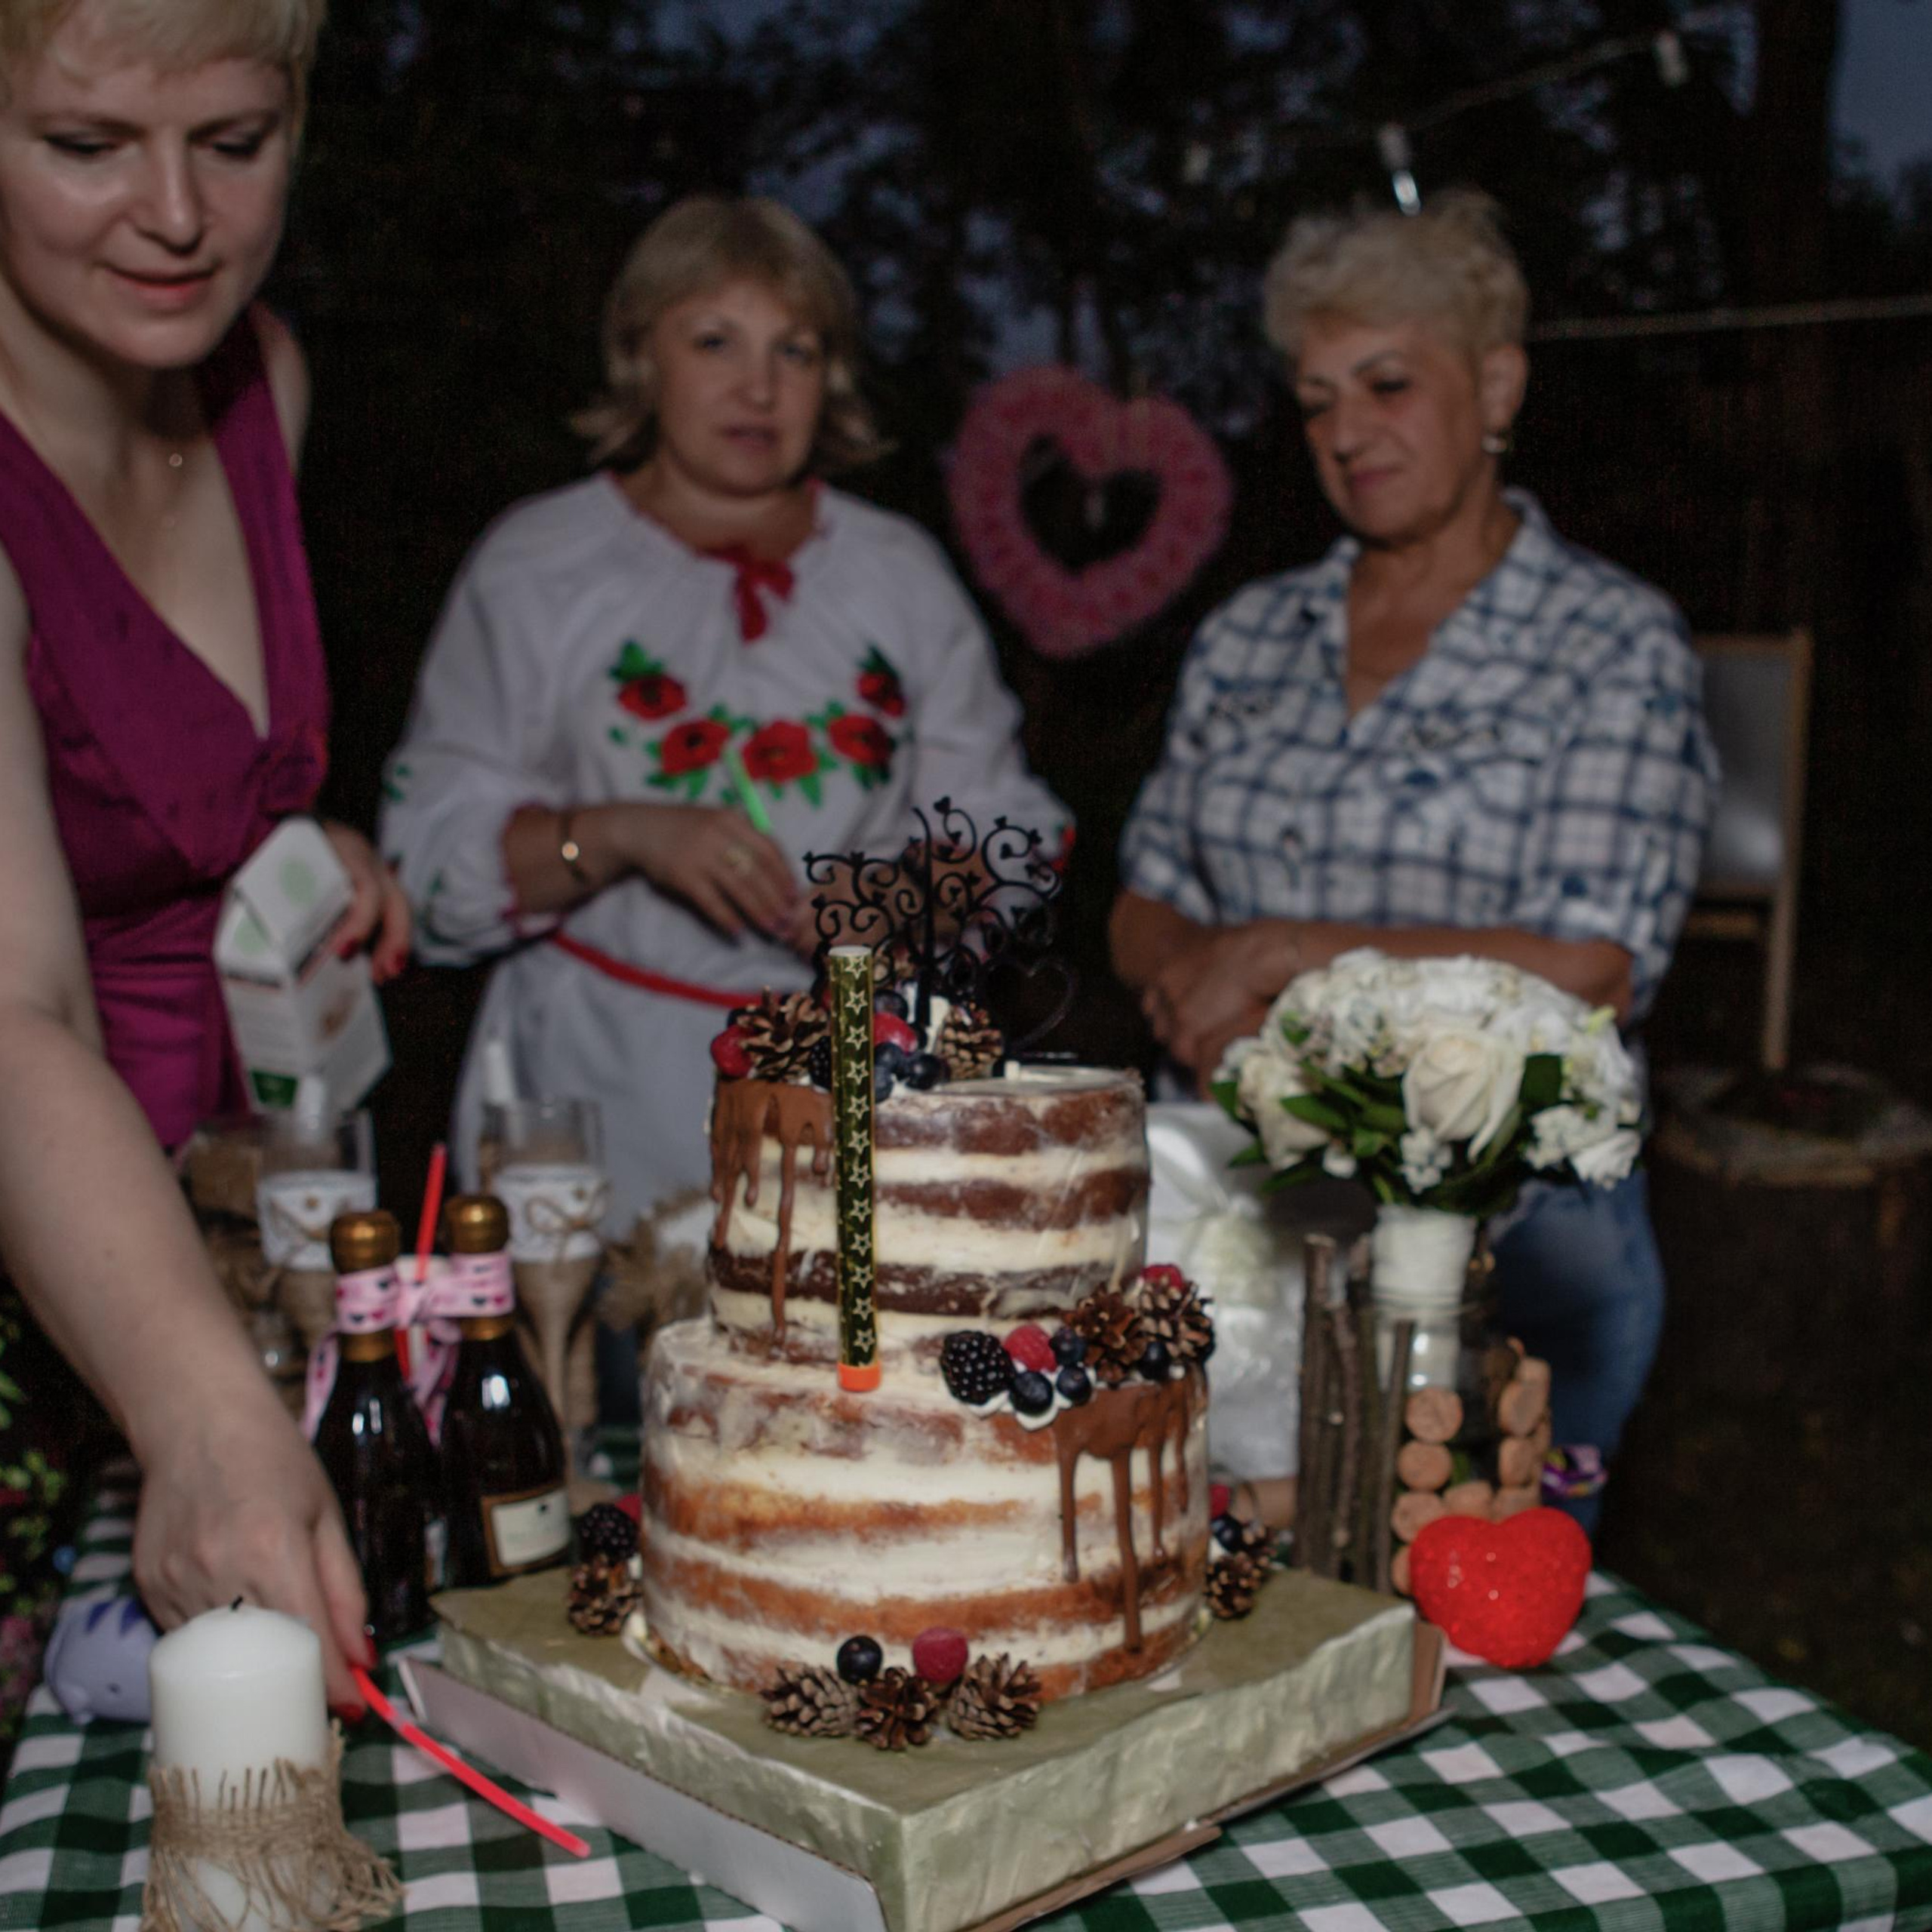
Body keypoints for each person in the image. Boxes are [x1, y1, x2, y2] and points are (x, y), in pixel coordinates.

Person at [1112, 192, 1718, 1528]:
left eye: (1387, 383)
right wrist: (1193, 986)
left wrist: (1283, 963)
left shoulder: (1607, 642)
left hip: (1518, 1249)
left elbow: (1593, 966)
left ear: (1496, 385)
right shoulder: (1250, 635)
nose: (1345, 432)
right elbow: (1147, 897)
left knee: (1467, 1608)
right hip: (1229, 1228)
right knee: (1198, 1591)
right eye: (1317, 400)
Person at [381, 195, 1065, 1225]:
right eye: (714, 342)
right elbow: (429, 865)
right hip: (589, 1105)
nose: (759, 387)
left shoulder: (899, 572)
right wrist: (623, 834)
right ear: (639, 356)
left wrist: (902, 898)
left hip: (850, 1094)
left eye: (795, 351)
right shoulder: (539, 563)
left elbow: (1009, 828)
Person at [0, 0, 408, 1720]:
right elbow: (16, 1006)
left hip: (221, 1247)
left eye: (233, 145)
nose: (175, 216)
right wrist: (202, 1412)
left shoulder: (261, 379)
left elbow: (170, 780)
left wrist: (298, 849)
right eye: (85, 145)